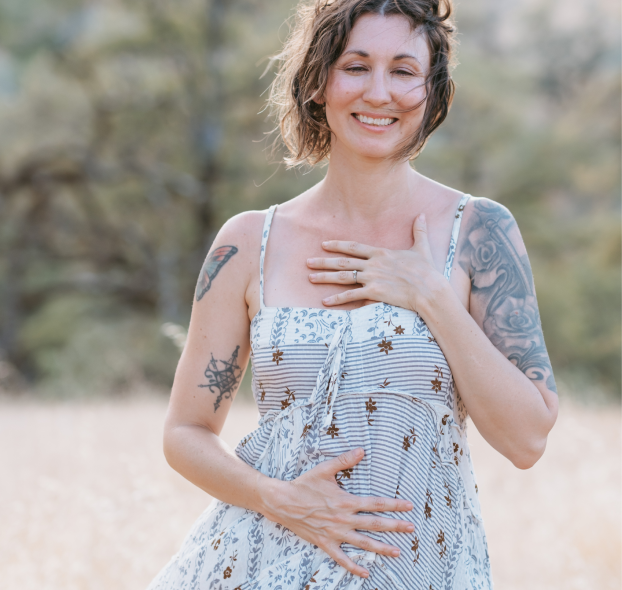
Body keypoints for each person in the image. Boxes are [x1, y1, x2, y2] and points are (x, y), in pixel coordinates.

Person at [148, 0, 558, 588]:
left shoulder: (479, 231)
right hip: (267, 563)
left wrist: (429, 296)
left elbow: (528, 439)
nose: (379, 92)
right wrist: (277, 498)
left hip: (422, 569)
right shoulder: (247, 244)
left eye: (403, 70)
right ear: (318, 81)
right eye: (356, 66)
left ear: (432, 89)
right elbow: (184, 433)